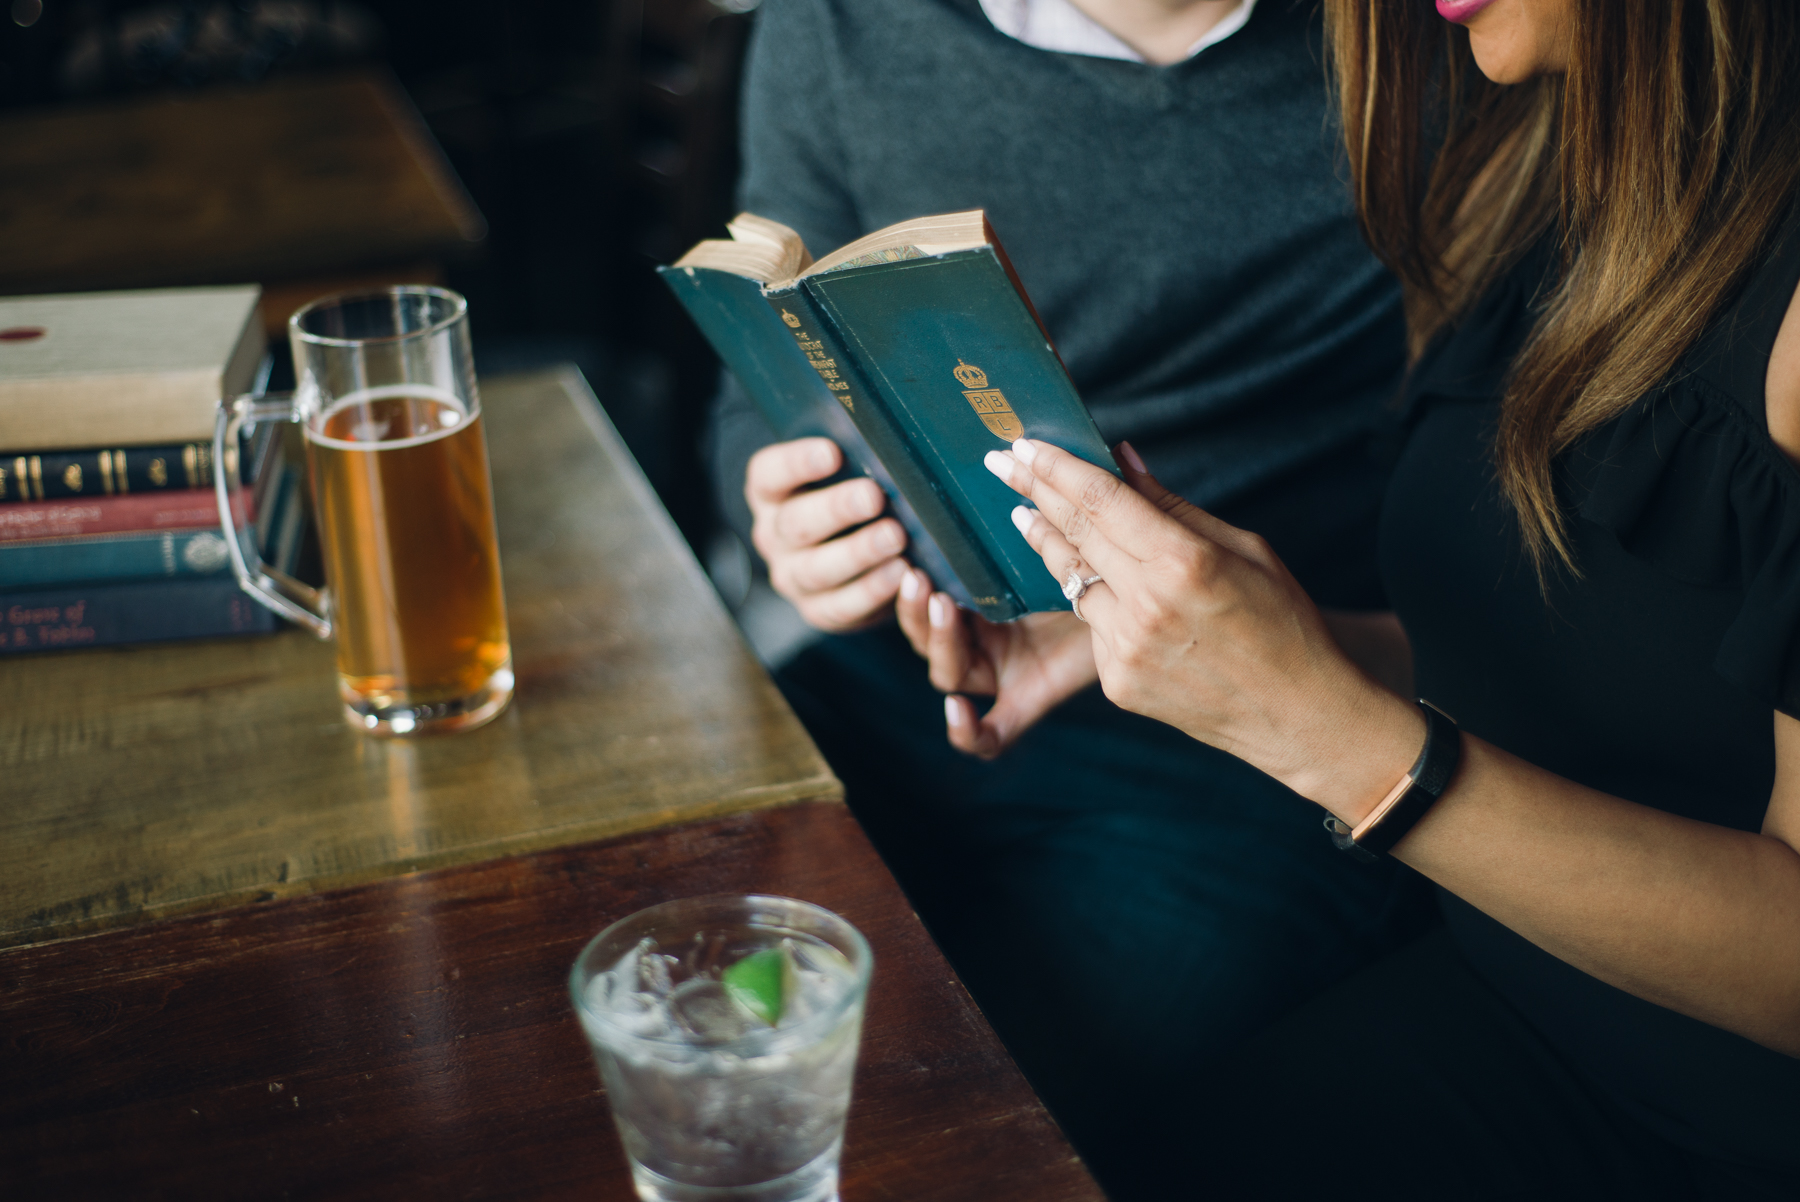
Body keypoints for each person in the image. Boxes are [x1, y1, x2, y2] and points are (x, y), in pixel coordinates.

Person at [975, 0, 1800, 1197]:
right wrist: (1260, 643)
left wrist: (1317, 726)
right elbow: (1591, 660)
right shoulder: (1521, 169)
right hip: (1507, 1000)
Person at [705, 0, 1434, 1177]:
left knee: (924, 1116)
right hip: (907, 673)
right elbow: (760, 392)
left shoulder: (1443, 44)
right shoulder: (837, 27)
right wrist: (785, 514)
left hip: (1252, 746)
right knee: (677, 999)